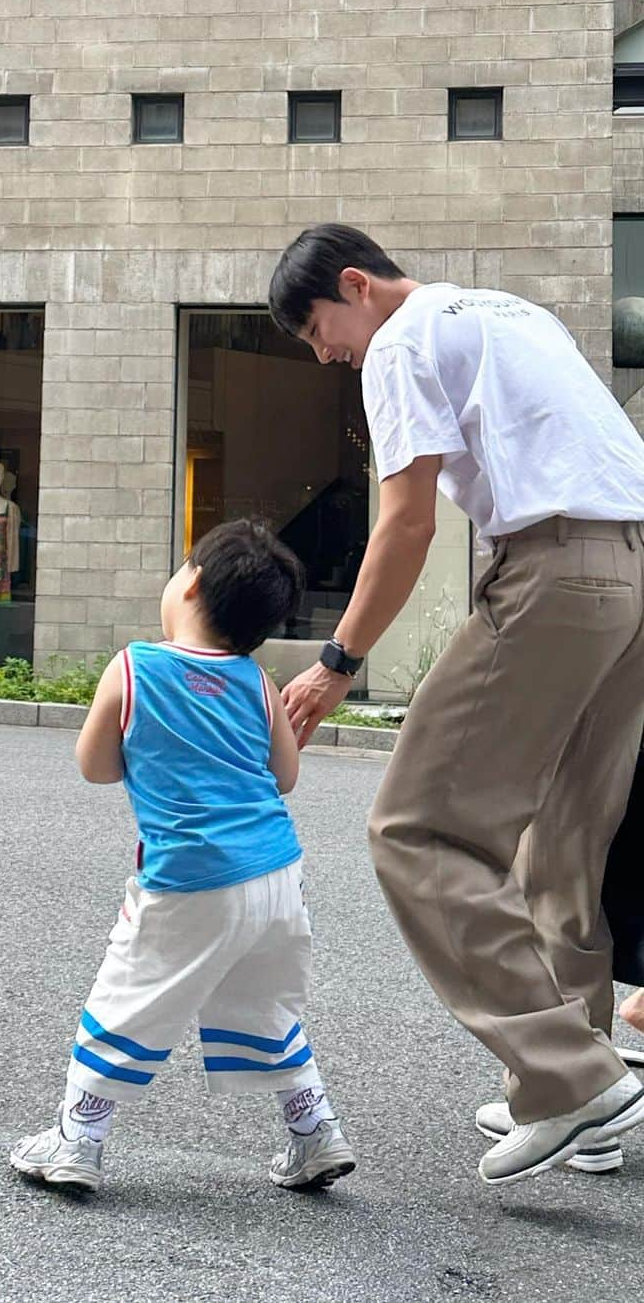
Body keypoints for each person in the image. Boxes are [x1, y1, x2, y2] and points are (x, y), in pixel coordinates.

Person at [268, 224, 644, 1187]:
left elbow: (406, 521)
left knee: (416, 829)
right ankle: (583, 1102)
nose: (324, 355)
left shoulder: (399, 341)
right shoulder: (514, 311)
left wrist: (338, 660)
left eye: (318, 330)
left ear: (356, 284)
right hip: (635, 567)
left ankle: (569, 1080)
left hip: (557, 573)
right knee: (565, 838)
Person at [10, 520, 355, 1193]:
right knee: (266, 1004)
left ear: (190, 582)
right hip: (278, 874)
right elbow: (284, 776)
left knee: (130, 993)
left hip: (188, 875)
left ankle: (78, 1136)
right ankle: (315, 1130)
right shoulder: (258, 681)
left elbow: (94, 765)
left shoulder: (135, 665)